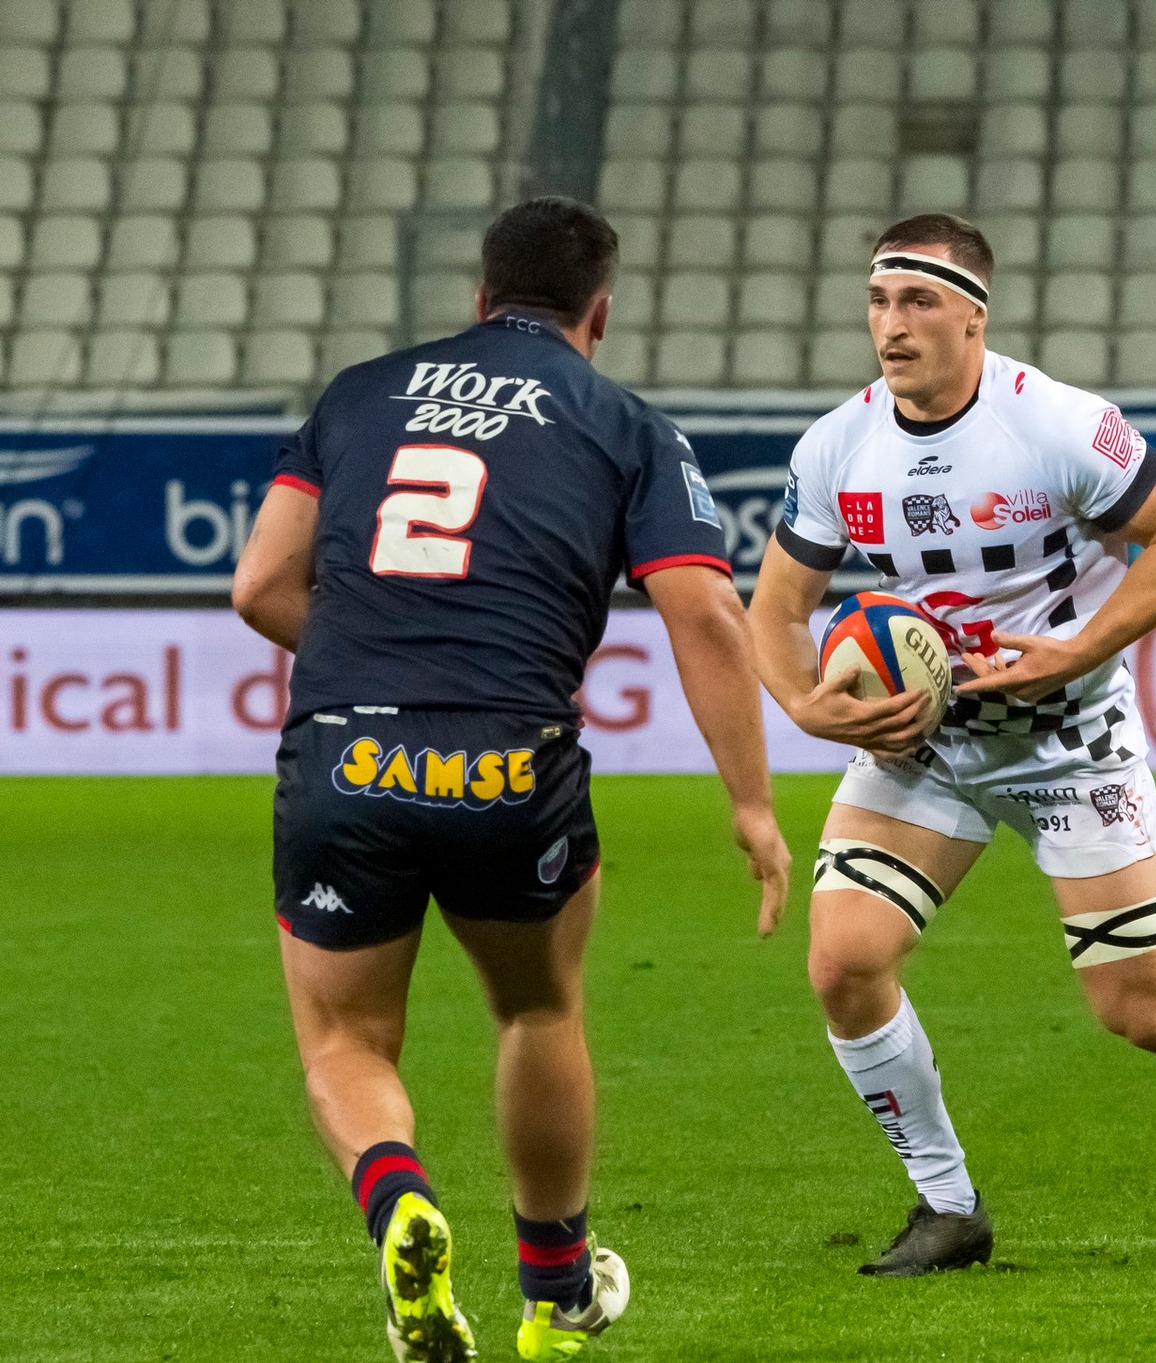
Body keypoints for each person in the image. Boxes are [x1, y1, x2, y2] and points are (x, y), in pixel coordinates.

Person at [747, 213, 1156, 1276]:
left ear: (973, 318)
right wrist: (805, 705)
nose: (889, 326)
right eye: (877, 302)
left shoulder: (1062, 426)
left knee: (1143, 1010)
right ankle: (948, 1207)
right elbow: (774, 606)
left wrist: (1073, 650)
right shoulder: (836, 444)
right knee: (843, 960)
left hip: (1069, 740)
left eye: (916, 302)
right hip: (925, 745)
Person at [232, 196, 790, 1360]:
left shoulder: (358, 394)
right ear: (598, 315)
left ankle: (400, 1203)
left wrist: (365, 659)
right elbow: (705, 615)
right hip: (506, 753)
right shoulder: (626, 425)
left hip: (348, 748)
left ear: (478, 298)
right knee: (537, 1004)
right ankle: (556, 1286)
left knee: (346, 1040)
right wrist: (751, 804)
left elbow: (258, 587)